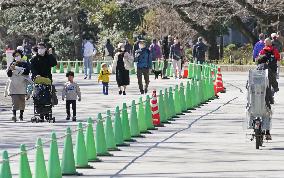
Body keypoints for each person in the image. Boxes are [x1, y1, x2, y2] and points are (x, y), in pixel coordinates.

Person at [4, 49, 30, 121]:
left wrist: (17, 68)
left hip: (22, 85)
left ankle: (21, 115)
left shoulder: (25, 64)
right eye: (15, 56)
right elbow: (9, 75)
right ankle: (14, 115)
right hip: (14, 86)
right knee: (14, 101)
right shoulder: (12, 63)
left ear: (21, 55)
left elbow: (27, 72)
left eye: (18, 55)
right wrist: (10, 69)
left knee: (22, 101)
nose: (17, 57)